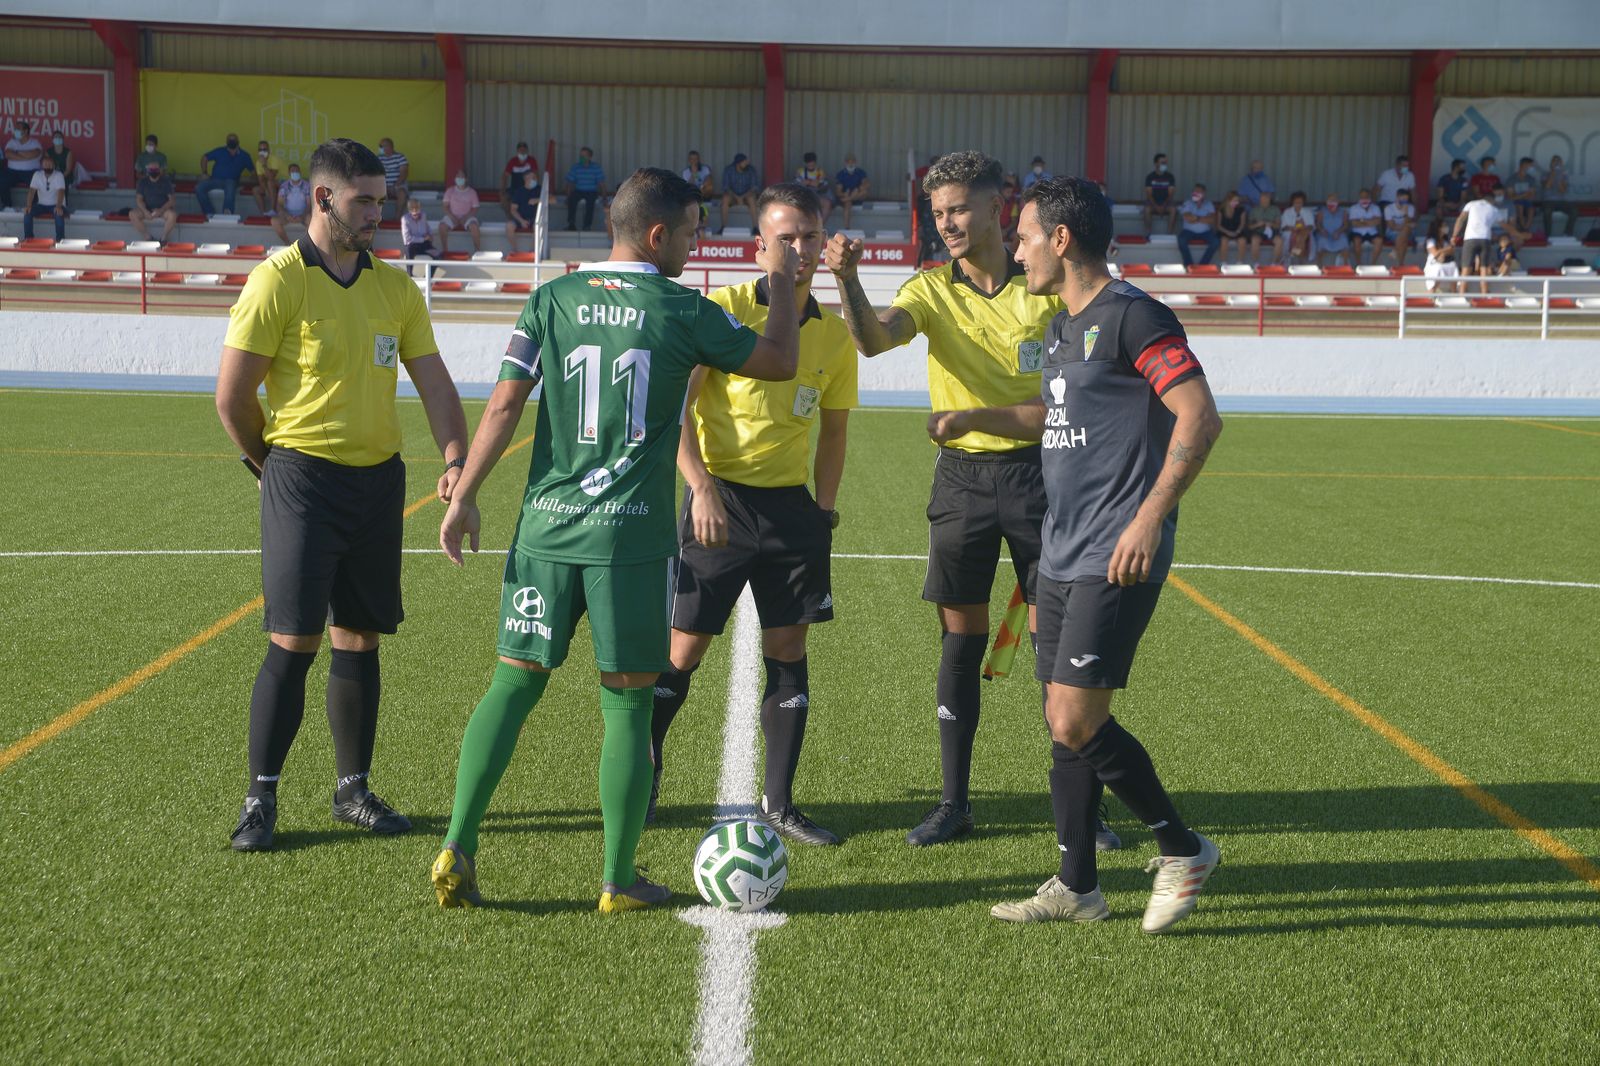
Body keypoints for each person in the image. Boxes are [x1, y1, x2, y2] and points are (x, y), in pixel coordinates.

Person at [428, 167, 801, 912]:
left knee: (512, 683)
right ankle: (617, 880)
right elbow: (780, 362)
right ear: (657, 234)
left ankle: (458, 843)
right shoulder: (679, 307)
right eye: (691, 232)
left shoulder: (550, 298)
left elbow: (503, 406)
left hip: (545, 531)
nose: (696, 247)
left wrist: (463, 495)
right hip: (627, 541)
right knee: (628, 706)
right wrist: (784, 283)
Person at [929, 175, 1223, 934]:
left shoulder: (1134, 318)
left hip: (1114, 552)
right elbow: (1050, 411)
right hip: (1059, 550)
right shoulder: (1063, 326)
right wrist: (978, 415)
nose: (1018, 250)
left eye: (1025, 236)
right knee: (1063, 717)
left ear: (1061, 240)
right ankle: (1077, 886)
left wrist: (1150, 518)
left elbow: (1200, 414)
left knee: (1074, 719)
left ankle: (1181, 847)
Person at [824, 150, 1118, 851]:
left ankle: (1081, 809)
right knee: (961, 640)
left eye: (958, 208)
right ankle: (954, 803)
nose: (948, 223)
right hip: (961, 480)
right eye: (938, 212)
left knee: (1059, 643)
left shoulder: (1047, 285)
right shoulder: (930, 290)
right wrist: (849, 282)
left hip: (1046, 477)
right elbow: (872, 341)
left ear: (995, 207)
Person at [214, 137, 468, 853]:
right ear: (322, 198)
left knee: (359, 635)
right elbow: (232, 400)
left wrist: (454, 456)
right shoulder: (278, 281)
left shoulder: (395, 289)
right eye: (363, 202)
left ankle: (352, 790)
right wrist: (273, 468)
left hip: (377, 482)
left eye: (381, 204)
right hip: (302, 477)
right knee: (292, 639)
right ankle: (260, 800)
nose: (376, 217)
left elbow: (437, 386)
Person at [647, 183, 857, 846]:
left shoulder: (833, 335)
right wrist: (700, 487)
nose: (800, 249)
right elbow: (675, 411)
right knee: (683, 652)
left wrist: (823, 511)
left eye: (811, 237)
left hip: (791, 513)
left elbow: (833, 431)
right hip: (720, 502)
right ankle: (642, 780)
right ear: (758, 245)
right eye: (787, 237)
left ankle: (781, 802)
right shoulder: (723, 310)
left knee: (789, 651)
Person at [1452, 186, 1506, 295]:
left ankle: (1462, 292)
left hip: (1470, 239)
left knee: (1466, 268)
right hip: (1485, 239)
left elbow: (1460, 219)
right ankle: (1484, 293)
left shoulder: (1471, 204)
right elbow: (1505, 225)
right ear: (1491, 199)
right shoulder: (1494, 209)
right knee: (1484, 268)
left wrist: (1454, 235)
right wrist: (1518, 234)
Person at [196, 133, 256, 218]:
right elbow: (205, 158)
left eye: (233, 140)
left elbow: (254, 173)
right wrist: (204, 173)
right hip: (215, 180)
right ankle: (209, 213)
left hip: (232, 181)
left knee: (230, 185)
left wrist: (247, 180)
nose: (231, 141)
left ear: (238, 142)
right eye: (229, 140)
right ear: (226, 142)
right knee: (199, 187)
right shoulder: (220, 151)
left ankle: (227, 214)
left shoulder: (244, 155)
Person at [23, 154, 67, 242]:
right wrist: (28, 205)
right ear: (42, 165)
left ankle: (60, 240)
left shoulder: (59, 175)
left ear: (54, 165)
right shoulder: (37, 175)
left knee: (59, 215)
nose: (48, 166)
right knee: (27, 213)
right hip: (41, 205)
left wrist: (58, 206)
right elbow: (32, 191)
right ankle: (29, 239)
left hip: (56, 204)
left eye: (50, 164)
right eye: (45, 164)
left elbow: (61, 192)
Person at [130, 161, 178, 243]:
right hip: (147, 210)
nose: (153, 171)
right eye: (151, 169)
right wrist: (145, 211)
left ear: (159, 170)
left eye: (155, 169)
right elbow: (139, 199)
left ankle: (163, 239)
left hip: (163, 210)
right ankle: (148, 238)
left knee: (173, 215)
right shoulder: (142, 182)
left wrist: (160, 210)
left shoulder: (166, 182)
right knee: (132, 214)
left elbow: (172, 200)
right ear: (147, 170)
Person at [563, 146, 606, 231]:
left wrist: (604, 197)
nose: (581, 157)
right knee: (572, 199)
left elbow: (602, 184)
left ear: (590, 157)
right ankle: (571, 224)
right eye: (580, 155)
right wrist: (568, 196)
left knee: (590, 202)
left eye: (584, 155)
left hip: (592, 191)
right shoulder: (575, 167)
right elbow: (569, 183)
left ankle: (587, 225)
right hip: (579, 190)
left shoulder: (596, 168)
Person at [439, 171, 482, 254]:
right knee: (442, 226)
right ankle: (445, 251)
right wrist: (452, 217)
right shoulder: (450, 191)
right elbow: (445, 206)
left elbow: (475, 208)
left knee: (474, 227)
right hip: (452, 215)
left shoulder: (472, 192)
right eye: (458, 176)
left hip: (467, 216)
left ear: (466, 179)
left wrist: (465, 218)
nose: (459, 179)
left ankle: (477, 251)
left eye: (461, 177)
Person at [3, 120, 44, 208]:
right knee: (1, 181)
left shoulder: (35, 142)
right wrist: (26, 156)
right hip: (12, 172)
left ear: (25, 131)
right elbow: (7, 154)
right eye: (15, 129)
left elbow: (35, 153)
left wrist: (16, 153)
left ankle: (33, 208)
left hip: (31, 172)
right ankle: (7, 206)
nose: (15, 131)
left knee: (37, 183)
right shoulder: (12, 142)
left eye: (18, 129)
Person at [1178, 184, 1219, 267]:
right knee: (1181, 240)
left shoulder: (1209, 204)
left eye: (1198, 191)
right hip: (1188, 231)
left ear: (1203, 193)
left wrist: (1196, 218)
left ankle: (1202, 265)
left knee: (1216, 241)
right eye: (1194, 191)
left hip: (1205, 232)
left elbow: (1212, 219)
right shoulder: (1188, 203)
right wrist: (1203, 218)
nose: (1195, 193)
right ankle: (1189, 265)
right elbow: (1187, 217)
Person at [720, 152, 761, 233]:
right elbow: (726, 187)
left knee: (752, 199)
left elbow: (754, 187)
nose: (746, 163)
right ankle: (723, 227)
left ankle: (756, 228)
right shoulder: (729, 170)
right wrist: (737, 197)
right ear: (738, 163)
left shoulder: (751, 170)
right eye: (744, 162)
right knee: (725, 199)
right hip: (733, 197)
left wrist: (742, 197)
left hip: (746, 197)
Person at [272, 164, 312, 245]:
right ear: (289, 173)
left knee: (312, 221)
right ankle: (288, 243)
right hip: (288, 214)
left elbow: (309, 204)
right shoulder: (284, 186)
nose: (295, 173)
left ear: (300, 172)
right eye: (293, 171)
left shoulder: (307, 185)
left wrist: (302, 216)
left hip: (303, 214)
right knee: (274, 221)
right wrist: (287, 216)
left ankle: (305, 244)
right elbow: (279, 205)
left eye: (297, 171)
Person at [1423, 218, 1462, 294]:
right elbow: (1435, 253)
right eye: (1443, 226)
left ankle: (1454, 293)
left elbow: (1451, 251)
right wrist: (1444, 250)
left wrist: (1443, 251)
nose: (1446, 228)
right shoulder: (1431, 240)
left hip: (1446, 262)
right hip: (1433, 263)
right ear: (1438, 228)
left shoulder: (1445, 240)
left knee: (1453, 266)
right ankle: (1432, 292)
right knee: (1438, 269)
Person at [507, 169, 541, 254]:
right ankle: (514, 250)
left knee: (537, 226)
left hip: (535, 219)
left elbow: (553, 200)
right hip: (520, 218)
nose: (534, 179)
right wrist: (521, 220)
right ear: (526, 179)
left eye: (535, 177)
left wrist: (538, 200)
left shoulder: (540, 189)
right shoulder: (519, 192)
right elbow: (513, 209)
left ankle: (532, 251)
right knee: (509, 226)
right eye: (532, 178)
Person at [1347, 189, 1384, 266]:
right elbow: (1354, 223)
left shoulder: (1375, 208)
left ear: (1369, 197)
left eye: (1366, 197)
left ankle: (1372, 264)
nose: (1364, 199)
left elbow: (1378, 222)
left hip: (1372, 232)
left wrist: (1361, 220)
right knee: (1357, 241)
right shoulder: (1354, 208)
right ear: (1359, 198)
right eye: (1362, 197)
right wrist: (1370, 221)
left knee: (1379, 241)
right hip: (1357, 232)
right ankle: (1358, 264)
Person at [1143, 153, 1176, 234]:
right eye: (1162, 162)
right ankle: (1148, 234)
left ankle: (1169, 234)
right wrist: (1156, 207)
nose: (1165, 164)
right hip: (1153, 203)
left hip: (1166, 203)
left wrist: (1163, 206)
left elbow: (1170, 194)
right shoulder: (1150, 177)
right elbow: (1149, 194)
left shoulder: (1170, 176)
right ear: (1156, 163)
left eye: (1165, 163)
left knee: (1173, 210)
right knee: (1146, 210)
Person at [795, 151, 834, 220]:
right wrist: (812, 183)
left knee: (827, 204)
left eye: (812, 163)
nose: (810, 165)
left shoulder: (820, 172)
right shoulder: (800, 172)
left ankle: (820, 225)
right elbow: (797, 184)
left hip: (817, 195)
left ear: (815, 162)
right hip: (804, 196)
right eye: (808, 163)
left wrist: (809, 183)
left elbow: (823, 185)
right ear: (805, 163)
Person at [377, 138, 410, 220]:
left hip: (398, 185)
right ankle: (381, 218)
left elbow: (404, 173)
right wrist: (384, 186)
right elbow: (375, 174)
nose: (380, 148)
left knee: (402, 194)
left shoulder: (400, 157)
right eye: (380, 146)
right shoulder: (378, 158)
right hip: (383, 186)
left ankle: (397, 217)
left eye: (382, 146)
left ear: (389, 146)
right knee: (379, 195)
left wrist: (395, 186)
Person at [683, 150, 713, 237]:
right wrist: (693, 174)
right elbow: (687, 186)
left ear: (698, 159)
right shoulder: (686, 172)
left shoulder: (705, 169)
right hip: (693, 194)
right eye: (692, 159)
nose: (694, 161)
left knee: (709, 185)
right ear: (689, 160)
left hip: (704, 194)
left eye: (696, 159)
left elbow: (709, 181)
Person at [1279, 191, 1315, 265]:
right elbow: (1283, 227)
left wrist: (1304, 227)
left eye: (1300, 202)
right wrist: (1292, 228)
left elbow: (1311, 226)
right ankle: (1300, 262)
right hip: (1290, 232)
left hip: (1304, 232)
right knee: (1300, 239)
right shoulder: (1287, 212)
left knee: (1301, 237)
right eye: (1296, 202)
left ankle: (1292, 255)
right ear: (1293, 202)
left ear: (1303, 202)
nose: (1298, 204)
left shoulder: (1307, 212)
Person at [835, 153, 870, 228]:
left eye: (852, 162)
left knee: (864, 191)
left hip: (857, 196)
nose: (850, 164)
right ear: (845, 162)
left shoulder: (860, 172)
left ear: (855, 162)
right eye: (848, 162)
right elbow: (838, 192)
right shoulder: (841, 174)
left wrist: (858, 189)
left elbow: (866, 184)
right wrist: (845, 194)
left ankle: (850, 197)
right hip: (845, 197)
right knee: (847, 204)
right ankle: (847, 227)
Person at [1542, 155, 1573, 238]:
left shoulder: (1564, 176)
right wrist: (1553, 174)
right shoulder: (1545, 174)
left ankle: (1567, 233)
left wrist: (1560, 176)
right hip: (1548, 201)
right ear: (1551, 163)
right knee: (1547, 211)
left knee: (1574, 211)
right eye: (1554, 161)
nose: (1556, 163)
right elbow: (1547, 186)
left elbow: (1563, 190)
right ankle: (1548, 235)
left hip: (1561, 201)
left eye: (1558, 161)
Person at [1383, 190, 1416, 267]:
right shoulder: (1388, 208)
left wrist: (1405, 213)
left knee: (1406, 230)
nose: (1405, 201)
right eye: (1403, 198)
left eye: (1406, 199)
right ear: (1397, 197)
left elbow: (1409, 220)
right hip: (1392, 232)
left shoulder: (1410, 208)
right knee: (1404, 239)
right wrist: (1405, 226)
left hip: (1408, 232)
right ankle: (1401, 264)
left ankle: (1395, 250)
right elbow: (1391, 226)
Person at [251, 140, 285, 215]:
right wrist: (265, 190)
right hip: (271, 184)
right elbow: (261, 180)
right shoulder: (258, 162)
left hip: (284, 182)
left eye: (264, 149)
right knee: (256, 190)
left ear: (269, 150)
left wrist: (264, 165)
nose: (262, 151)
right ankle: (263, 213)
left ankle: (273, 210)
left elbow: (271, 177)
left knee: (270, 183)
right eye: (260, 150)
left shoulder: (274, 159)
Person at [1314, 195, 1350, 267]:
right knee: (1321, 241)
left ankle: (1346, 266)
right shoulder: (1322, 211)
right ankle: (1319, 266)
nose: (1332, 203)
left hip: (1338, 233)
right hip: (1325, 233)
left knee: (1344, 241)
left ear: (1338, 202)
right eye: (1330, 201)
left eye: (1334, 200)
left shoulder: (1343, 212)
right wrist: (1322, 230)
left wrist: (1339, 232)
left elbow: (1346, 225)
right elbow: (1318, 224)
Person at [1246, 189, 1279, 265]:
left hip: (1272, 232)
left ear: (1269, 200)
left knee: (1279, 241)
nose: (1264, 201)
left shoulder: (1275, 210)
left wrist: (1271, 224)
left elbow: (1278, 226)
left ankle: (1274, 264)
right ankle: (1256, 264)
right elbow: (1249, 227)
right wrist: (1258, 224)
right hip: (1258, 232)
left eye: (1266, 199)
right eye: (1262, 199)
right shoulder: (1254, 210)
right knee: (1254, 239)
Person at [1508, 158, 1540, 234]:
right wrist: (1524, 195)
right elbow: (1511, 196)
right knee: (1520, 206)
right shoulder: (1512, 179)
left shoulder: (1531, 179)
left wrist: (1521, 196)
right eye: (1530, 166)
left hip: (1527, 202)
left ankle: (1526, 228)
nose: (1532, 168)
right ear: (1524, 165)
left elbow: (1532, 194)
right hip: (1514, 204)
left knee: (1531, 209)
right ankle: (1522, 228)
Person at [1215, 192, 1248, 264]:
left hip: (1237, 231)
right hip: (1225, 231)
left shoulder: (1241, 209)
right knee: (1224, 240)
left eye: (1237, 201)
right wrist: (1228, 232)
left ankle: (1240, 262)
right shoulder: (1222, 210)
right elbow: (1219, 226)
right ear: (1228, 200)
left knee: (1242, 240)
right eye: (1234, 200)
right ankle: (1223, 262)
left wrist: (1237, 232)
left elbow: (1242, 224)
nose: (1236, 202)